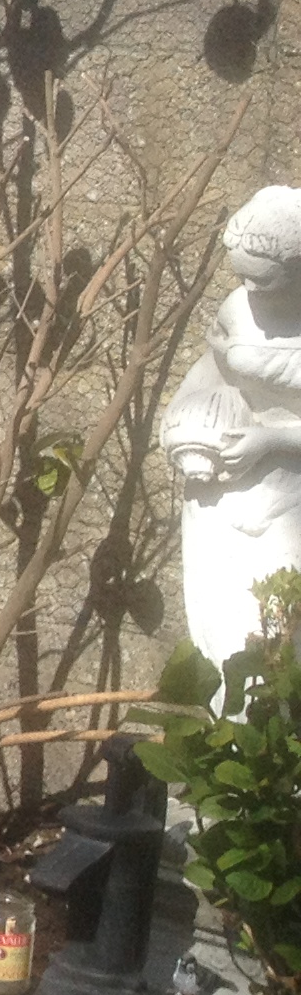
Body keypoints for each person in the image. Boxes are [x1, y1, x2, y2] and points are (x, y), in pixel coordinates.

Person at [163, 184, 301, 665]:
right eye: (242, 277)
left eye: (264, 282)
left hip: (290, 488)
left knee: (283, 633)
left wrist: (272, 439)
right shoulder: (237, 308)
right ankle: (233, 731)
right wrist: (184, 423)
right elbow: (212, 368)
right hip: (224, 483)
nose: (250, 291)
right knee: (227, 622)